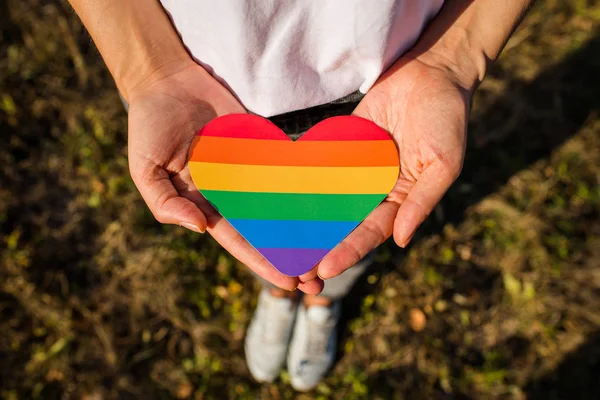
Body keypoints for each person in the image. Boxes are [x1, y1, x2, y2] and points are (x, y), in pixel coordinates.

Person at [67, 0, 532, 391]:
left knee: (357, 232)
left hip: (389, 84)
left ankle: (322, 300)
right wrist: (147, 67)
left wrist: (455, 54)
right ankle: (278, 290)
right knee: (246, 229)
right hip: (194, 88)